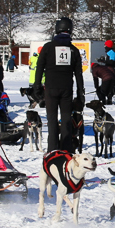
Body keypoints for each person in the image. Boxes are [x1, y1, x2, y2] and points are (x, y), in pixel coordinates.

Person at [33, 17, 84, 152]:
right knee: (66, 121)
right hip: (67, 90)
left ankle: (52, 151)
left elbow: (39, 68)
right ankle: (66, 151)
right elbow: (79, 74)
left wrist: (36, 86)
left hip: (50, 89)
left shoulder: (48, 47)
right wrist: (81, 93)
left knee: (52, 121)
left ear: (57, 29)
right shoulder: (73, 50)